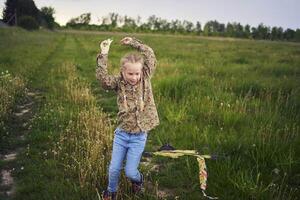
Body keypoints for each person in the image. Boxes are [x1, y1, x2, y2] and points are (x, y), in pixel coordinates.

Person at [96, 37, 160, 200]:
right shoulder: (118, 82)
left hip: (139, 136)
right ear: (123, 72)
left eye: (136, 73)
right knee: (114, 168)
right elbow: (103, 80)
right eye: (130, 73)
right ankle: (111, 191)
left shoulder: (145, 78)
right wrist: (104, 53)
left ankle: (138, 180)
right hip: (122, 134)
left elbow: (150, 55)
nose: (133, 77)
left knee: (130, 171)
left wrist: (134, 43)